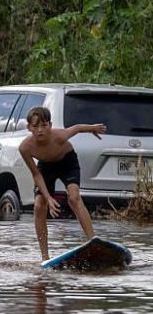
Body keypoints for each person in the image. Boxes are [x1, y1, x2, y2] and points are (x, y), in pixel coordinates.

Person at [18, 106, 106, 262]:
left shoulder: (59, 136)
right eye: (35, 126)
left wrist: (92, 128)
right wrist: (48, 198)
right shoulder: (25, 147)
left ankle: (94, 241)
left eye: (44, 125)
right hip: (45, 168)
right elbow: (36, 174)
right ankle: (45, 256)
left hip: (67, 163)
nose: (40, 130)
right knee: (39, 205)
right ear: (29, 127)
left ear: (50, 125)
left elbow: (78, 128)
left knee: (73, 198)